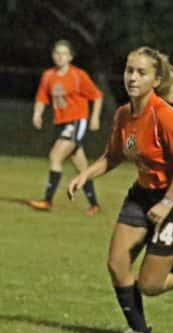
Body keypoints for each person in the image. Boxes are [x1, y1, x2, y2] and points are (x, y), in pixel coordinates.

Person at [68, 47, 173, 333]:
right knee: (117, 263)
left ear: (156, 79)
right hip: (140, 195)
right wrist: (85, 175)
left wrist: (166, 203)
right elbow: (112, 156)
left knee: (150, 284)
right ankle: (139, 331)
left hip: (172, 200)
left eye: (141, 72)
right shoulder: (124, 114)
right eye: (129, 70)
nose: (132, 78)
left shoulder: (166, 116)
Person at [29, 40, 103, 216]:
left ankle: (47, 201)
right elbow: (41, 97)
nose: (59, 56)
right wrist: (37, 114)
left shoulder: (78, 75)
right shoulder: (48, 76)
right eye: (56, 53)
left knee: (55, 155)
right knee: (82, 167)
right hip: (61, 123)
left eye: (64, 53)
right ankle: (94, 204)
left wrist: (94, 118)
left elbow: (97, 96)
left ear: (70, 57)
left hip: (76, 121)